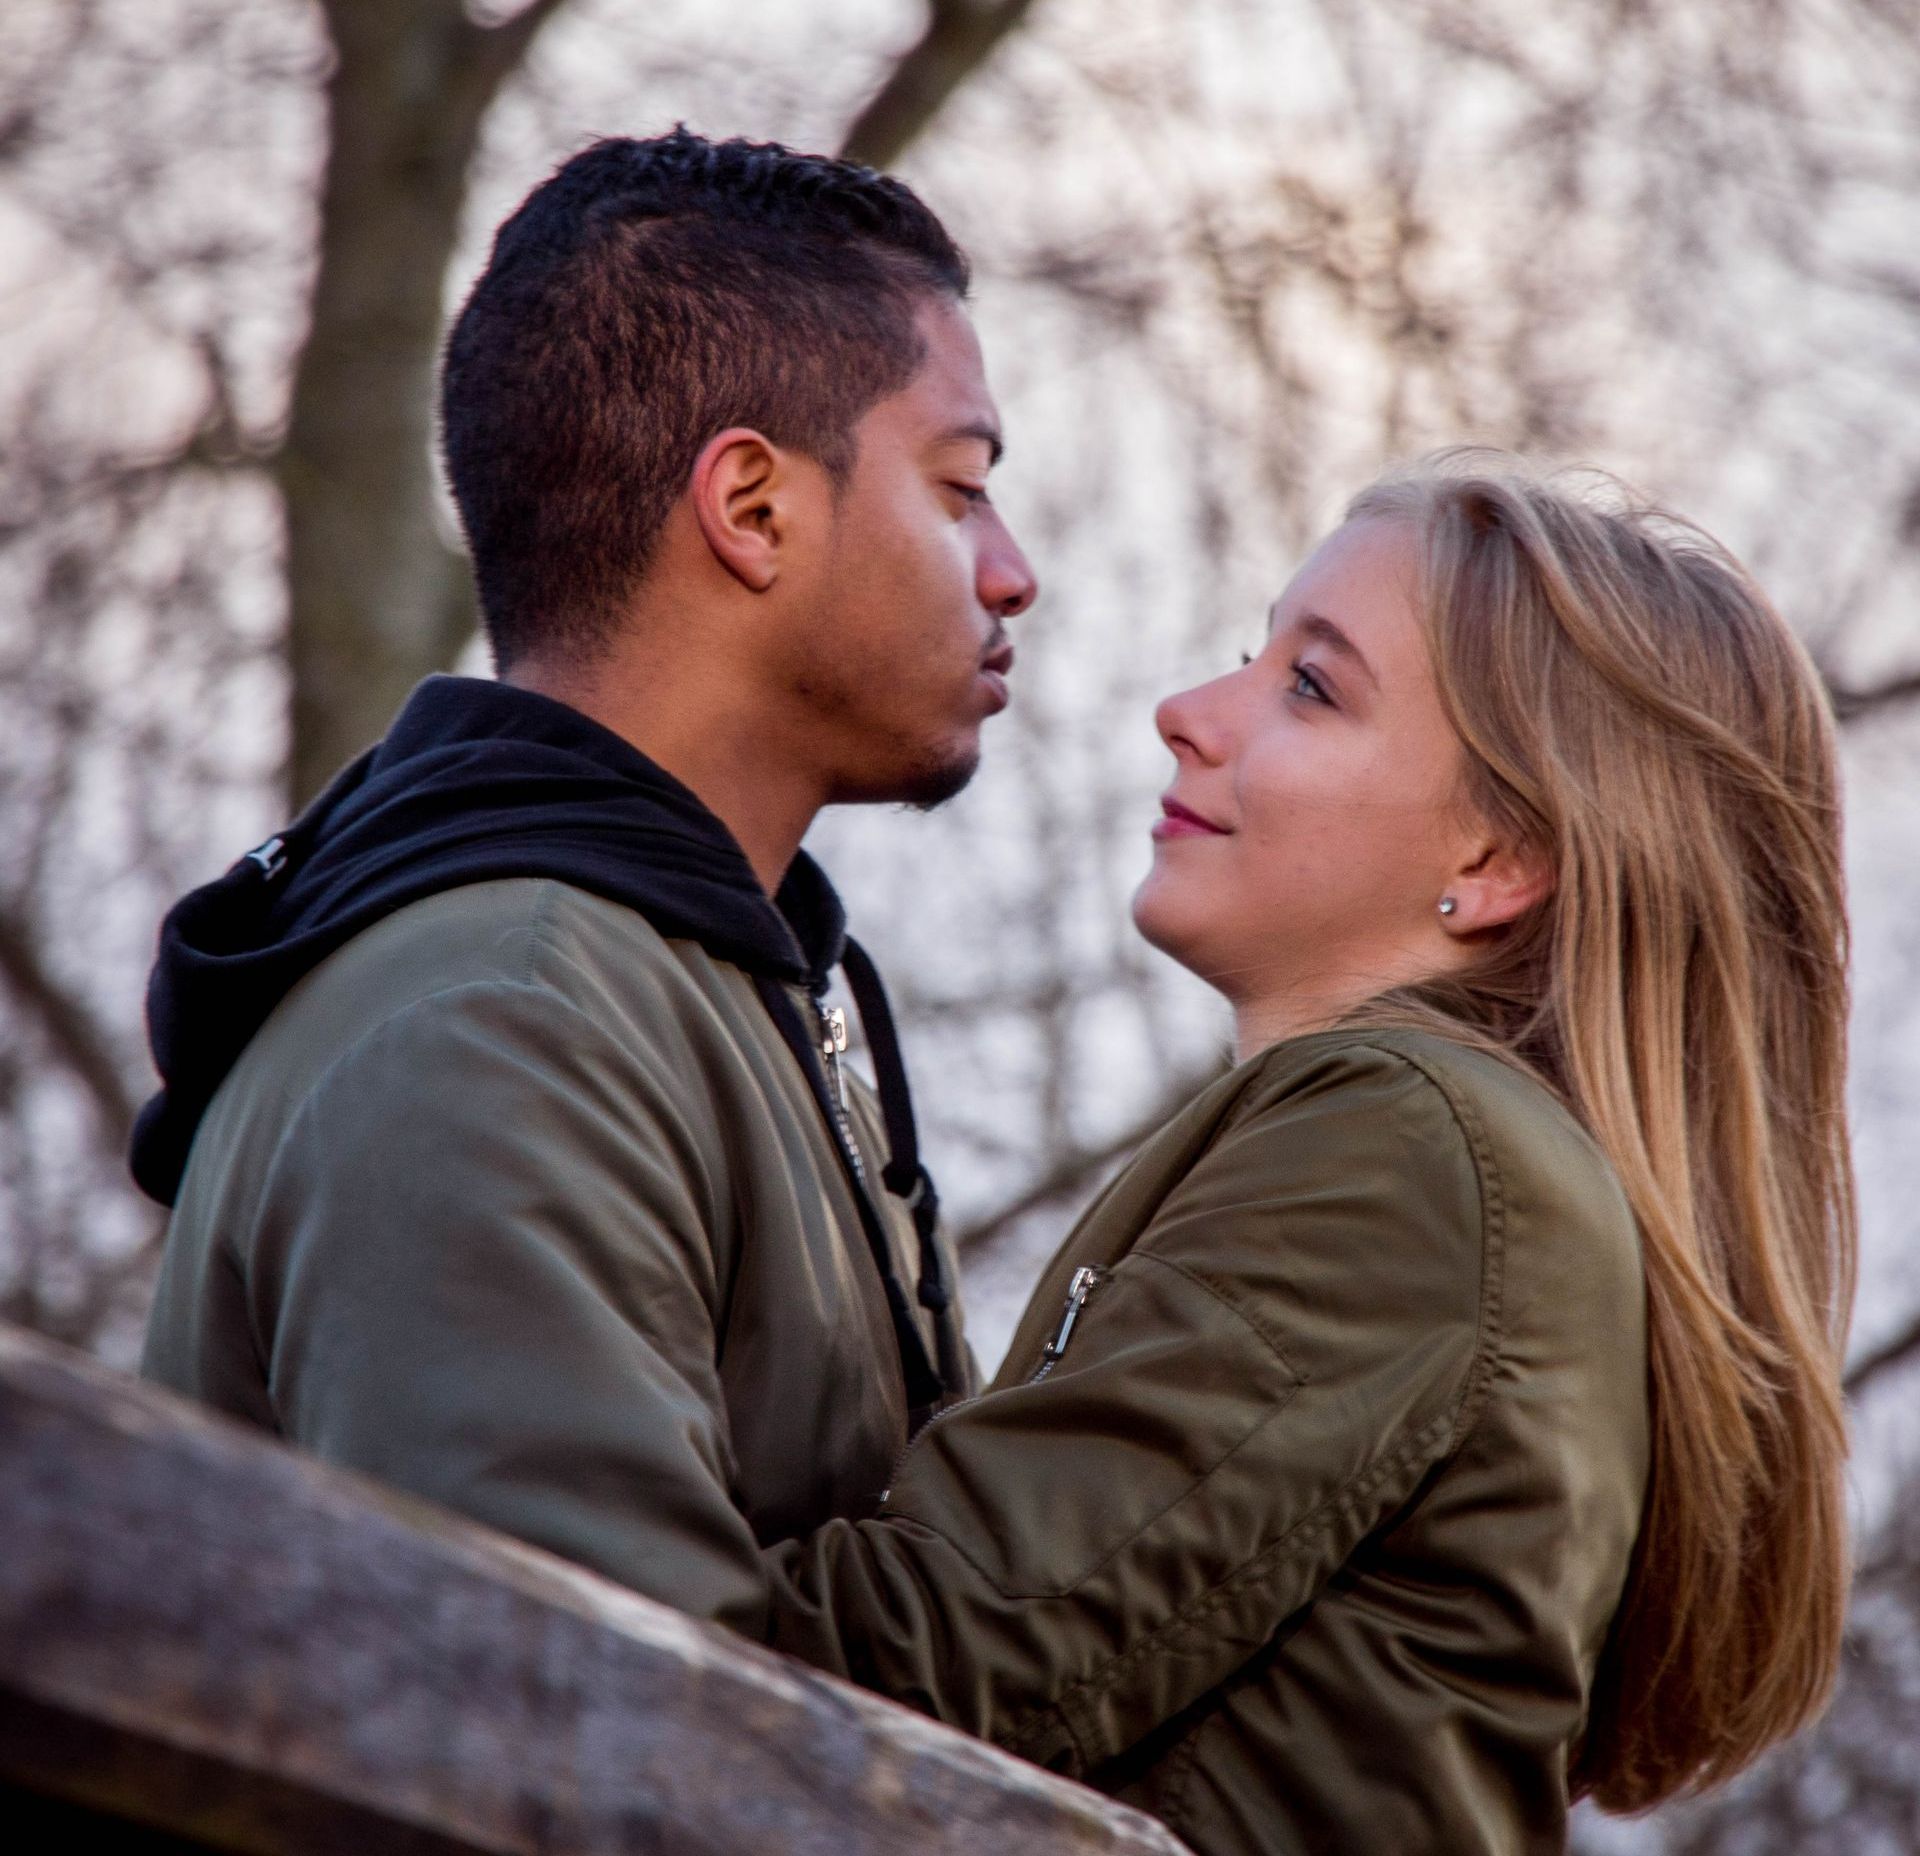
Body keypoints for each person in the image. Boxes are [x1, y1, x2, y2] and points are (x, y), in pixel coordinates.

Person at [757, 457, 1856, 1854]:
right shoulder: (1456, 1154)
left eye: (1313, 687)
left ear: (1502, 853)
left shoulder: (1408, 1145)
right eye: (1248, 657)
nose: (1185, 717)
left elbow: (917, 1662)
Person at [135, 128, 1037, 1631]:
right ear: (752, 508)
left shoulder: (693, 996)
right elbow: (586, 1762)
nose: (1010, 570)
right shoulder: (499, 1024)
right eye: (959, 491)